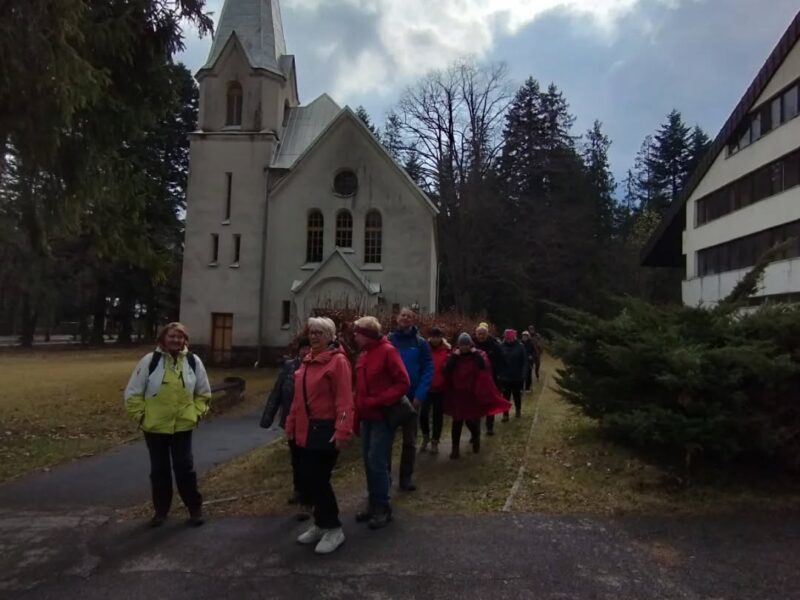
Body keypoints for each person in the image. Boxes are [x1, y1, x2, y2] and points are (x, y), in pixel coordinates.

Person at [124, 322, 211, 527]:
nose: (176, 340)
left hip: (182, 426)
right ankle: (161, 511)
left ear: (185, 340)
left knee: (185, 468)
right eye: (172, 336)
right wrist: (143, 417)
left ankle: (194, 509)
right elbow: (133, 394)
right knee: (159, 471)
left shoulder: (193, 361)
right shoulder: (149, 361)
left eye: (180, 337)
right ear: (163, 338)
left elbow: (203, 393)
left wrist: (196, 414)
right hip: (155, 427)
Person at [286, 317, 354, 555]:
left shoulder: (338, 363)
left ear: (331, 336)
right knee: (307, 479)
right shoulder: (307, 361)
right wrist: (291, 424)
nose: (314, 337)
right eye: (312, 332)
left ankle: (334, 528)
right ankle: (320, 523)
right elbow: (298, 399)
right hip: (304, 431)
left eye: (320, 333)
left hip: (324, 430)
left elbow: (345, 400)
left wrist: (342, 430)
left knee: (319, 480)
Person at [353, 316, 410, 529]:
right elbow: (358, 390)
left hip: (383, 416)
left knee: (377, 460)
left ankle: (383, 507)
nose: (355, 337)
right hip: (367, 417)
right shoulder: (363, 355)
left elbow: (403, 383)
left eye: (358, 333)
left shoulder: (388, 352)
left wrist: (378, 401)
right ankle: (373, 502)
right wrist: (355, 417)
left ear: (367, 335)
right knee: (369, 461)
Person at [260, 336, 312, 520]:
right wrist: (267, 418)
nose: (305, 352)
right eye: (303, 348)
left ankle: (307, 499)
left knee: (308, 460)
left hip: (311, 424)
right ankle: (298, 489)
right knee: (296, 458)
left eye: (309, 348)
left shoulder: (317, 366)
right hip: (291, 421)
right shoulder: (289, 367)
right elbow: (277, 392)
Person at [443, 333, 511, 459]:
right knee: (457, 422)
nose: (464, 347)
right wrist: (455, 356)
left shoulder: (478, 354)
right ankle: (455, 449)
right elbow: (447, 369)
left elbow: (483, 366)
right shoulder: (454, 355)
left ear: (471, 344)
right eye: (462, 345)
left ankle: (476, 437)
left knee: (471, 420)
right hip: (458, 394)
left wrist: (475, 353)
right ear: (458, 345)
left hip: (472, 394)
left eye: (467, 345)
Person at [388, 307, 434, 491]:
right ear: (397, 318)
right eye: (403, 315)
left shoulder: (420, 343)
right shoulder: (389, 341)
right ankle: (385, 479)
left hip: (413, 399)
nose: (406, 318)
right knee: (386, 441)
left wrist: (420, 394)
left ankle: (405, 478)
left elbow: (428, 368)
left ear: (413, 320)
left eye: (409, 316)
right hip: (391, 400)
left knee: (409, 441)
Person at [420, 326, 450, 454]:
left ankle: (435, 441)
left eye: (437, 337)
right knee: (423, 415)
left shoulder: (447, 350)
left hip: (440, 389)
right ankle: (426, 436)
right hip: (426, 388)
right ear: (430, 337)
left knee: (438, 417)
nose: (435, 339)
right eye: (433, 336)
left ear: (441, 337)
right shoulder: (424, 349)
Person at [474, 322, 505, 436]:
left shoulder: (494, 345)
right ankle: (475, 431)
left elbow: (502, 360)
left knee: (490, 402)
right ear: (476, 334)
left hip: (491, 378)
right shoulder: (472, 344)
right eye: (479, 334)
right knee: (475, 403)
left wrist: (498, 374)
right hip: (475, 379)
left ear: (487, 334)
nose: (481, 336)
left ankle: (490, 426)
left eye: (483, 334)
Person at [498, 329, 528, 420]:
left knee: (517, 395)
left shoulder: (520, 346)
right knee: (505, 396)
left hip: (517, 376)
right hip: (505, 376)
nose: (509, 340)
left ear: (514, 337)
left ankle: (518, 409)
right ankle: (505, 414)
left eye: (510, 338)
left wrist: (523, 373)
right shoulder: (501, 346)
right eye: (507, 338)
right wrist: (499, 373)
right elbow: (498, 361)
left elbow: (524, 361)